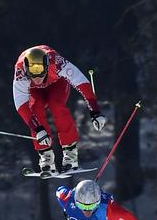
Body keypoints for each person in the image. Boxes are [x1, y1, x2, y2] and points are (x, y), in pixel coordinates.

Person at [13, 45, 106, 174]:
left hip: (57, 84)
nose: (37, 77)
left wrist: (95, 111)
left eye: (39, 69)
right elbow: (21, 105)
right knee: (35, 108)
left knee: (56, 105)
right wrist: (38, 129)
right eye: (32, 72)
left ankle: (70, 155)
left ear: (46, 65)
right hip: (34, 90)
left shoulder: (56, 62)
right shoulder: (20, 72)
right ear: (26, 69)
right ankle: (46, 157)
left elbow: (82, 83)